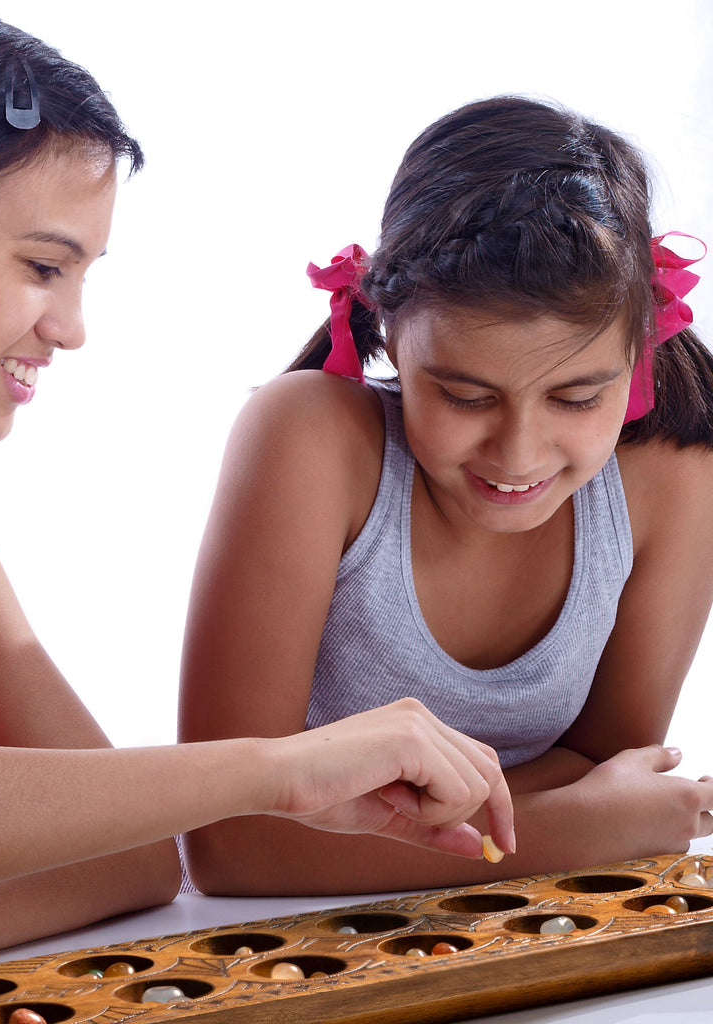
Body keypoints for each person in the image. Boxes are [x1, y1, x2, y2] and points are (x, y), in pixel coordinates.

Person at [0, 9, 514, 1012]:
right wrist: (278, 769)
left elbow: (131, 862)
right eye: (42, 265)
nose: (72, 329)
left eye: (83, 275)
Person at [178, 95, 713, 897]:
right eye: (465, 396)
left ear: (641, 349)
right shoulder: (310, 439)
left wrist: (351, 820)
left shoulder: (677, 477)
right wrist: (575, 826)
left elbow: (615, 768)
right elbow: (230, 844)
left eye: (575, 399)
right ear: (389, 332)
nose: (518, 454)